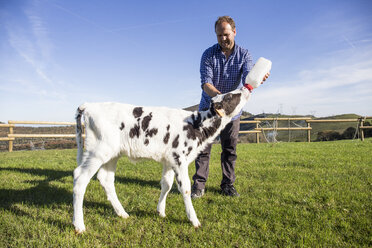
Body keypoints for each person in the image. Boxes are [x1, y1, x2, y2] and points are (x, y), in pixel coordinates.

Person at [191, 16, 268, 198]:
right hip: (208, 109)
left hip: (232, 113)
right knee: (203, 148)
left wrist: (258, 79)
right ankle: (199, 185)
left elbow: (248, 80)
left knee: (229, 149)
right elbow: (206, 83)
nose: (223, 39)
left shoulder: (244, 55)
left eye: (226, 34)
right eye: (219, 35)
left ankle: (227, 185)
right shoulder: (208, 55)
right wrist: (219, 99)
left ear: (234, 32)